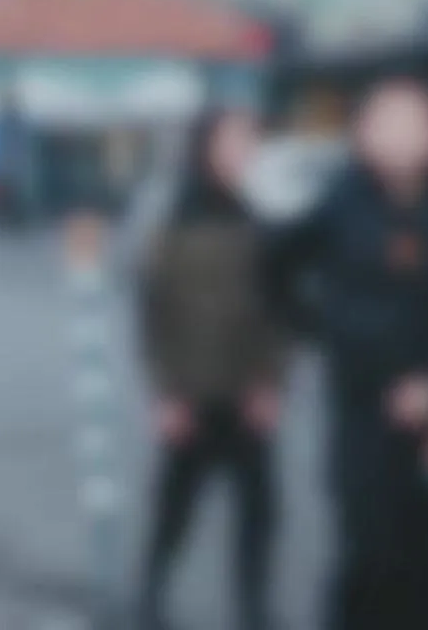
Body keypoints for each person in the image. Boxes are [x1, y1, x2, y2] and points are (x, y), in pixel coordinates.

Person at [265, 77, 428, 630]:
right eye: (387, 121)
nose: (402, 135)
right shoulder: (341, 200)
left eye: (416, 121)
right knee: (369, 549)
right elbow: (274, 268)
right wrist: (324, 332)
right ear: (364, 134)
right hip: (361, 403)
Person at [135, 108, 282, 630]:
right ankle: (149, 600)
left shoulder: (256, 219)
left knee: (260, 512)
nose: (242, 152)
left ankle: (253, 610)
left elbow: (275, 312)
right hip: (191, 393)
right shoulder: (172, 220)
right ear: (206, 147)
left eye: (248, 142)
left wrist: (270, 383)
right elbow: (152, 315)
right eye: (232, 141)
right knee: (175, 508)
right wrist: (166, 394)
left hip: (246, 393)